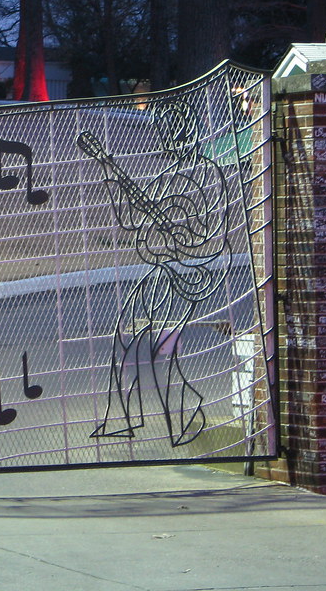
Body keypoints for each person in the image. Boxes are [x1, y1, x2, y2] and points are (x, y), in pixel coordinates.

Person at [78, 100, 231, 446]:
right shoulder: (166, 174)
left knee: (161, 349)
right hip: (163, 269)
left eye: (174, 131)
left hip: (188, 273)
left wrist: (180, 236)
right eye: (164, 131)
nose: (169, 138)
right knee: (126, 339)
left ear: (187, 133)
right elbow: (139, 223)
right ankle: (125, 419)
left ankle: (182, 417)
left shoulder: (207, 172)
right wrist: (111, 174)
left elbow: (209, 232)